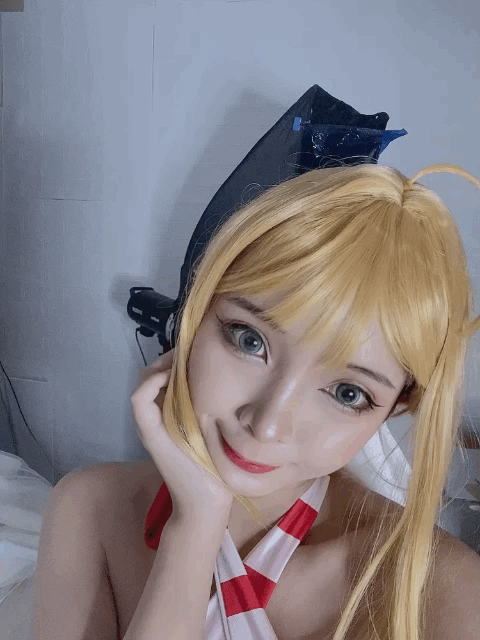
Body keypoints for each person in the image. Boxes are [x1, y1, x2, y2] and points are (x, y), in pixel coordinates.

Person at [31, 161, 480, 640]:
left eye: (347, 393)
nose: (267, 424)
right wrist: (194, 528)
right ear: (195, 316)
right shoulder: (90, 509)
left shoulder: (443, 591)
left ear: (397, 407)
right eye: (249, 340)